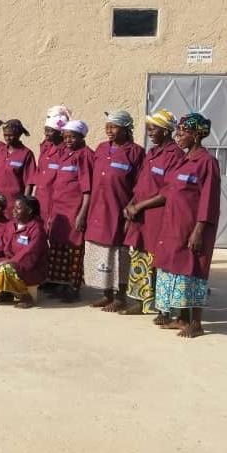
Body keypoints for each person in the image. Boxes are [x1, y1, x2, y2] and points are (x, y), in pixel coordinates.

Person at [127, 113, 219, 338]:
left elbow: (209, 200)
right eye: (178, 131)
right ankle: (181, 318)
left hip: (192, 227)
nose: (178, 135)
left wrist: (199, 230)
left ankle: (196, 323)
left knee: (193, 271)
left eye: (183, 132)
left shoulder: (206, 162)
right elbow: (167, 191)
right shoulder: (183, 161)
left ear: (196, 135)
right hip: (174, 225)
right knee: (176, 270)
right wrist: (138, 205)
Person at [121, 109, 182, 315]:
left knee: (156, 258)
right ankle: (140, 301)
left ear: (166, 131)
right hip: (140, 217)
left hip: (157, 217)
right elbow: (140, 184)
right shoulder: (152, 153)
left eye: (153, 129)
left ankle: (158, 304)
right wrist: (131, 204)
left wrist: (139, 206)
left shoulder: (175, 156)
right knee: (139, 257)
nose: (149, 132)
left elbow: (168, 192)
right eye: (149, 128)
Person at [84, 111, 145, 312]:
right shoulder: (101, 148)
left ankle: (120, 297)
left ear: (126, 129)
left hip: (119, 211)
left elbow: (140, 185)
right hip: (98, 209)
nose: (109, 130)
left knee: (120, 254)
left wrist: (132, 208)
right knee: (103, 253)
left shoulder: (136, 152)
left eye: (113, 127)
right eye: (107, 126)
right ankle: (107, 294)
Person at [46, 120, 94, 301]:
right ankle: (61, 284)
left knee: (74, 250)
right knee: (60, 248)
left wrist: (82, 215)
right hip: (60, 211)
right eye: (65, 137)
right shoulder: (64, 154)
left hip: (74, 210)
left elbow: (87, 190)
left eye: (72, 137)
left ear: (81, 137)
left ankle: (74, 287)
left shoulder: (85, 155)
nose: (68, 140)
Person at [0, 195, 48, 308]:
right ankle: (5, 292)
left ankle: (26, 297)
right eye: (14, 208)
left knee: (6, 269)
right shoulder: (11, 225)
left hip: (31, 269)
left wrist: (8, 262)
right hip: (11, 261)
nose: (14, 211)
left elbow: (29, 254)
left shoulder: (37, 229)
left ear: (29, 211)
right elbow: (2, 246)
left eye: (18, 208)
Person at [33, 106, 71, 231]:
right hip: (41, 198)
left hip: (54, 200)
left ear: (60, 132)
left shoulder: (65, 151)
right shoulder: (46, 147)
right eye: (45, 130)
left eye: (50, 131)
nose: (46, 134)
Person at [0, 119, 37, 201]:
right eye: (5, 135)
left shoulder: (26, 153)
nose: (7, 138)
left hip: (15, 202)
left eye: (11, 135)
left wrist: (25, 202)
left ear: (19, 135)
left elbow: (29, 182)